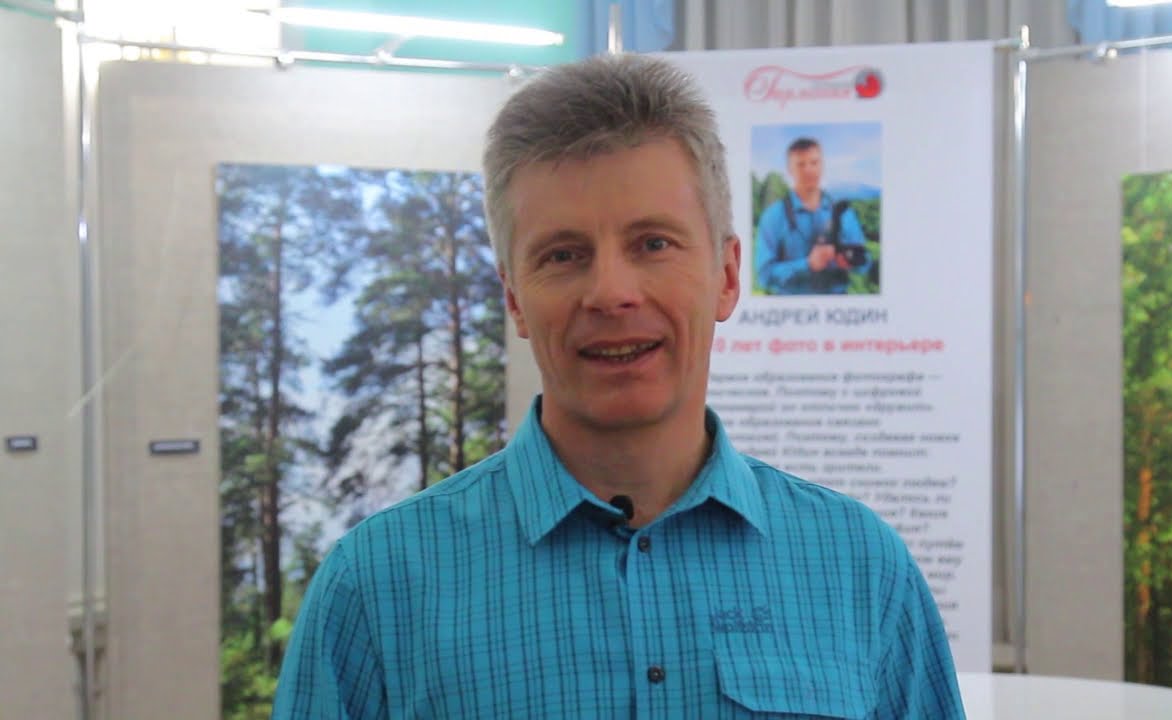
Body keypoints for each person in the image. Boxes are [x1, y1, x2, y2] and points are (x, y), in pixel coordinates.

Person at [273, 53, 962, 719]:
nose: (610, 292)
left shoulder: (859, 569)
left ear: (726, 277)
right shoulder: (378, 591)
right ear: (514, 300)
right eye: (563, 254)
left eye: (653, 243)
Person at [754, 137, 874, 295]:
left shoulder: (844, 212)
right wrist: (807, 264)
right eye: (801, 164)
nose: (808, 170)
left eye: (814, 162)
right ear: (790, 169)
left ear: (822, 165)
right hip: (791, 307)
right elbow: (763, 276)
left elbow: (866, 263)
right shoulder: (773, 216)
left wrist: (850, 260)